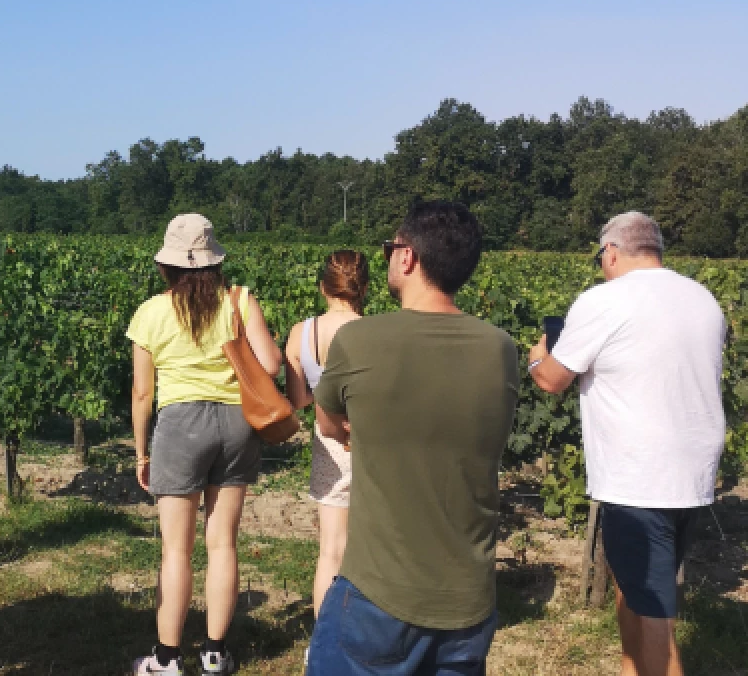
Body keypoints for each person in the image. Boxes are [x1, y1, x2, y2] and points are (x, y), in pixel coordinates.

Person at [307, 201, 518, 676]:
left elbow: (327, 422)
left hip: (380, 592)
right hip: (470, 600)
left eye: (389, 248)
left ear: (407, 258)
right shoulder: (500, 348)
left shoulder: (360, 341)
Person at [528, 211, 726, 676]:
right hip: (692, 475)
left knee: (656, 610)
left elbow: (555, 379)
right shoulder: (702, 298)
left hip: (639, 476)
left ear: (611, 252)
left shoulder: (606, 300)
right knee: (636, 588)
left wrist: (539, 359)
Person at [127, 213, 282, 676]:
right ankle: (215, 653)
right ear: (214, 261)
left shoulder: (151, 312)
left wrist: (141, 453)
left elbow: (141, 393)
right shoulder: (240, 300)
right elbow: (270, 365)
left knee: (176, 549)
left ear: (168, 264)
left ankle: (167, 659)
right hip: (237, 423)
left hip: (179, 423)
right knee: (223, 544)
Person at [283, 251, 367, 623]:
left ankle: (324, 640)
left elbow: (299, 399)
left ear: (323, 287)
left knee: (330, 549)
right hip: (372, 442)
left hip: (329, 444)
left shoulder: (303, 333)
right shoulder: (374, 332)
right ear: (364, 287)